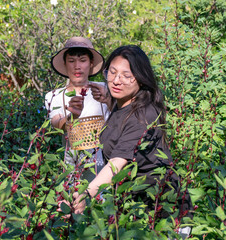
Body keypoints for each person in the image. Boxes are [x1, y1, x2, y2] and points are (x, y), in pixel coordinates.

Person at [64, 45, 193, 236]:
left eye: (127, 75)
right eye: (112, 72)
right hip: (137, 208)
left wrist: (85, 194)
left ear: (141, 78)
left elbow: (118, 162)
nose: (116, 80)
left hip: (166, 214)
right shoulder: (121, 104)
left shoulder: (144, 114)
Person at [45, 37, 109, 182]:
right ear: (65, 64)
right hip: (71, 170)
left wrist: (108, 99)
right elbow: (56, 124)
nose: (77, 66)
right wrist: (72, 117)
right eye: (71, 61)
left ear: (91, 63)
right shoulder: (54, 96)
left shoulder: (104, 89)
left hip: (103, 169)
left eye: (82, 60)